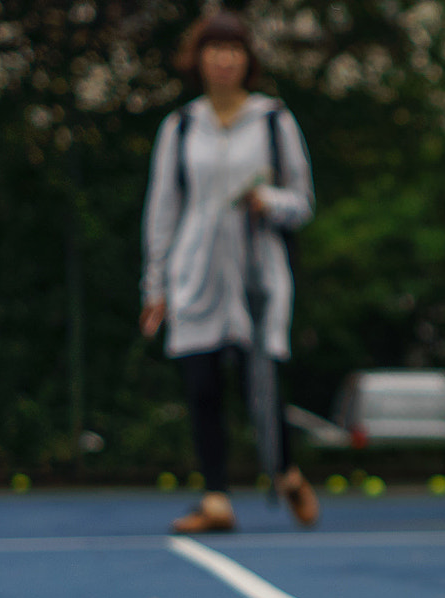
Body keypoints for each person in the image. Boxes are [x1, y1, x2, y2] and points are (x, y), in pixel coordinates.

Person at [140, 11, 318, 533]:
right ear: (197, 60)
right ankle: (215, 497)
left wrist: (269, 202)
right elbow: (162, 211)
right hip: (195, 273)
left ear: (247, 60)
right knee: (201, 384)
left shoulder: (273, 120)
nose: (223, 58)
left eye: (232, 49)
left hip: (257, 272)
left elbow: (303, 201)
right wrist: (155, 285)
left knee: (260, 381)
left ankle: (285, 470)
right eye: (213, 49)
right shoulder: (178, 126)